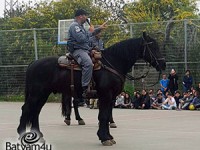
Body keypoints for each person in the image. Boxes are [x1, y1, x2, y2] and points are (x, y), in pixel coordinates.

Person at [67, 9, 107, 97]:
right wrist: (91, 31)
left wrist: (99, 29)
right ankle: (84, 88)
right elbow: (81, 39)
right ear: (80, 16)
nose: (86, 18)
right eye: (85, 15)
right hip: (78, 50)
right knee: (88, 63)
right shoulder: (74, 26)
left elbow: (88, 35)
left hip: (85, 50)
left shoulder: (80, 26)